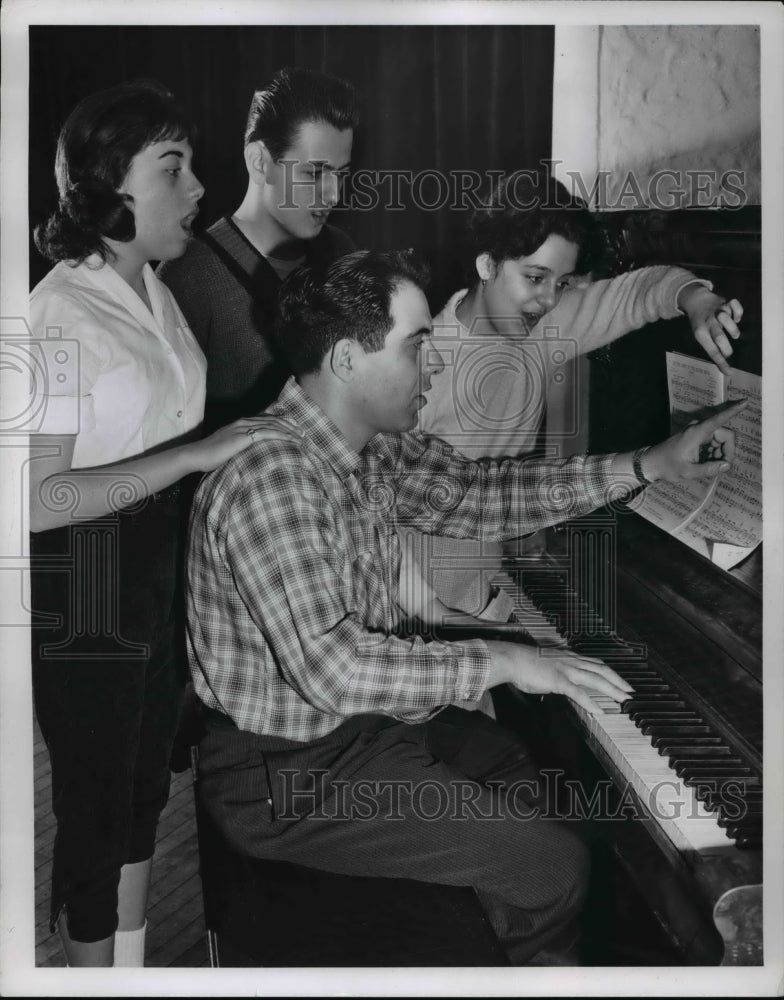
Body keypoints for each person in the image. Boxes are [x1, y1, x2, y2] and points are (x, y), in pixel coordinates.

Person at [185, 249, 743, 965]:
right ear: (350, 359)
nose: (438, 364)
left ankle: (482, 939)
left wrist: (649, 464)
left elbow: (485, 497)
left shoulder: (368, 448)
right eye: (418, 345)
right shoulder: (272, 476)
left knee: (518, 765)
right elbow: (332, 669)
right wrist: (506, 659)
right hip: (285, 773)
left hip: (353, 733)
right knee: (555, 868)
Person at [28, 80, 274, 968]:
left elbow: (168, 430)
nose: (199, 186)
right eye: (172, 167)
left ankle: (126, 970)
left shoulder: (157, 291)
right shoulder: (56, 311)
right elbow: (36, 498)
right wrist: (193, 460)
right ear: (108, 188)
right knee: (95, 811)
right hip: (90, 572)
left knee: (143, 794)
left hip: (160, 569)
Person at [415, 173, 745, 621]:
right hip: (415, 602)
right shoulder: (421, 367)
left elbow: (639, 293)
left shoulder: (542, 322)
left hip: (480, 581)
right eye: (535, 277)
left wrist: (695, 300)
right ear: (487, 265)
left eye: (563, 283)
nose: (549, 300)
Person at [158, 66, 359, 432]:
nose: (333, 195)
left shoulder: (342, 251)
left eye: (341, 174)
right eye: (314, 174)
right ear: (260, 162)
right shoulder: (185, 278)